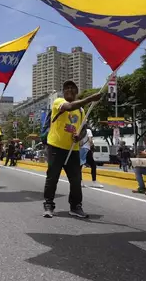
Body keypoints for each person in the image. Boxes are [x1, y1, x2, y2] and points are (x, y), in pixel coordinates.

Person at [43, 80, 102, 219]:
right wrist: (90, 99)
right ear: (63, 92)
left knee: (76, 180)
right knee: (52, 178)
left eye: (72, 88)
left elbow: (83, 129)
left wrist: (79, 135)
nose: (69, 90)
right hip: (55, 147)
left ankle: (76, 206)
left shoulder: (81, 111)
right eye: (66, 88)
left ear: (76, 91)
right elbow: (68, 107)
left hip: (73, 149)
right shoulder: (58, 102)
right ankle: (48, 205)